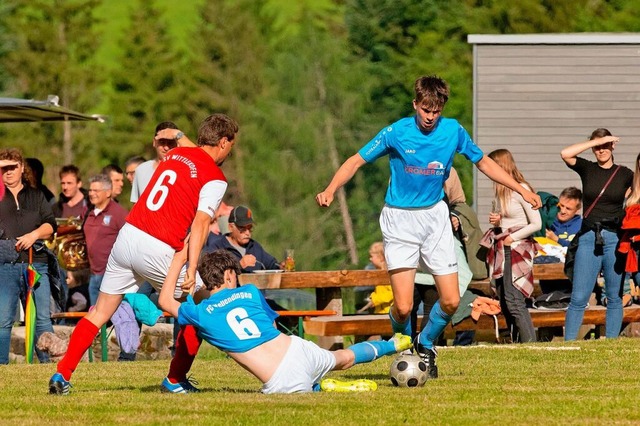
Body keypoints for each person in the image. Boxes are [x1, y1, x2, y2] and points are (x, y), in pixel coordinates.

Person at [316, 75, 541, 378]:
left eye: (436, 111)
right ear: (415, 104)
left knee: (450, 300)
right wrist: (331, 189)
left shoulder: (453, 131)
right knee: (404, 306)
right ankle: (403, 343)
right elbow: (356, 160)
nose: (430, 117)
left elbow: (484, 162)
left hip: (435, 216)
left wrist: (521, 189)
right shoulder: (396, 132)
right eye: (425, 110)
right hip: (400, 219)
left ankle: (425, 344)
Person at [49, 113, 238, 395]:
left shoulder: (175, 156)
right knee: (198, 304)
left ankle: (61, 375)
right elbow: (201, 222)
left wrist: (174, 136)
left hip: (128, 236)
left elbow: (186, 145)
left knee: (100, 312)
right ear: (223, 142)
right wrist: (190, 268)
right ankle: (175, 380)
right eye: (231, 144)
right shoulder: (215, 177)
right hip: (158, 244)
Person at [159, 248, 412, 393]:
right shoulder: (249, 293)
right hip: (296, 347)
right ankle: (394, 344)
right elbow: (269, 327)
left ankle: (318, 387)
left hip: (281, 378)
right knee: (343, 358)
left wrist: (179, 261)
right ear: (228, 276)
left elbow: (164, 300)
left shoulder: (201, 313)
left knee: (303, 387)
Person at [560, 128, 633, 341]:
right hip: (589, 237)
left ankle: (611, 342)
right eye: (597, 146)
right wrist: (595, 142)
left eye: (605, 145)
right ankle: (568, 344)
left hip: (614, 238)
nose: (601, 150)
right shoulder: (587, 168)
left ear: (613, 146)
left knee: (614, 296)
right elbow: (566, 153)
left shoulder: (625, 174)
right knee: (579, 296)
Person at [0, 148, 57, 364]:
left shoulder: (36, 195)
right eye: (3, 168)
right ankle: (1, 368)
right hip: (4, 267)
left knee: (42, 319)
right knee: (3, 321)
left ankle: (46, 366)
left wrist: (34, 235)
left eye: (12, 167)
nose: (8, 172)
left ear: (22, 168)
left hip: (36, 265)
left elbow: (50, 224)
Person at [485, 149, 541, 343]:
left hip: (516, 249)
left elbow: (536, 223)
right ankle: (516, 341)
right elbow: (511, 219)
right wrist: (498, 221)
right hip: (503, 249)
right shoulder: (502, 192)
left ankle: (529, 344)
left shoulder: (521, 188)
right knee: (504, 298)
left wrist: (511, 237)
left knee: (514, 300)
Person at [83, 174, 128, 306]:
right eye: (90, 190)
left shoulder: (119, 213)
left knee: (113, 318)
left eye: (96, 190)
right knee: (96, 318)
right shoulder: (87, 212)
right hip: (93, 275)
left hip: (111, 276)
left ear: (108, 193)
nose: (91, 194)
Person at [204, 205, 281, 272]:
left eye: (250, 228)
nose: (247, 233)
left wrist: (282, 266)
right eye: (243, 228)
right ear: (231, 227)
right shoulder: (217, 247)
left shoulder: (254, 246)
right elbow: (211, 274)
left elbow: (272, 265)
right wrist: (239, 265)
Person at [130, 122, 179, 203]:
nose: (166, 147)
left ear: (177, 144)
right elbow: (136, 206)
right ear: (154, 142)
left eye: (170, 143)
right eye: (162, 142)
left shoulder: (185, 170)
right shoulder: (141, 170)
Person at [356, 242, 393, 315]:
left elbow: (393, 293)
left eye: (372, 256)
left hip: (388, 312)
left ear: (381, 257)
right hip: (380, 311)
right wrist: (372, 297)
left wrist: (375, 299)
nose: (370, 259)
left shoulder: (388, 274)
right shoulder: (379, 273)